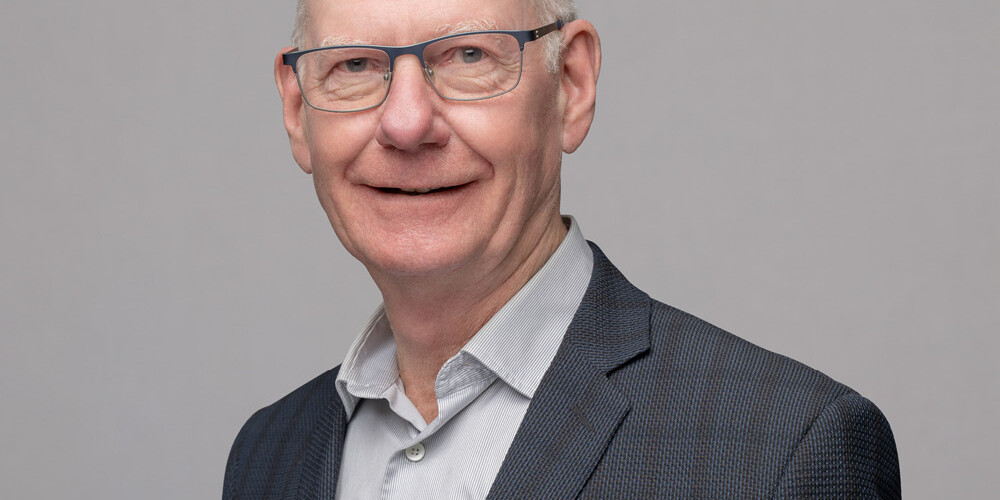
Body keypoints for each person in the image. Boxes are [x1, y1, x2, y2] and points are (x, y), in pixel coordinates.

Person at [223, 0, 901, 497]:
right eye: (357, 65)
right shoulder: (268, 456)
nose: (406, 123)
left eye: (468, 56)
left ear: (572, 85)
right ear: (297, 110)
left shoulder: (782, 451)